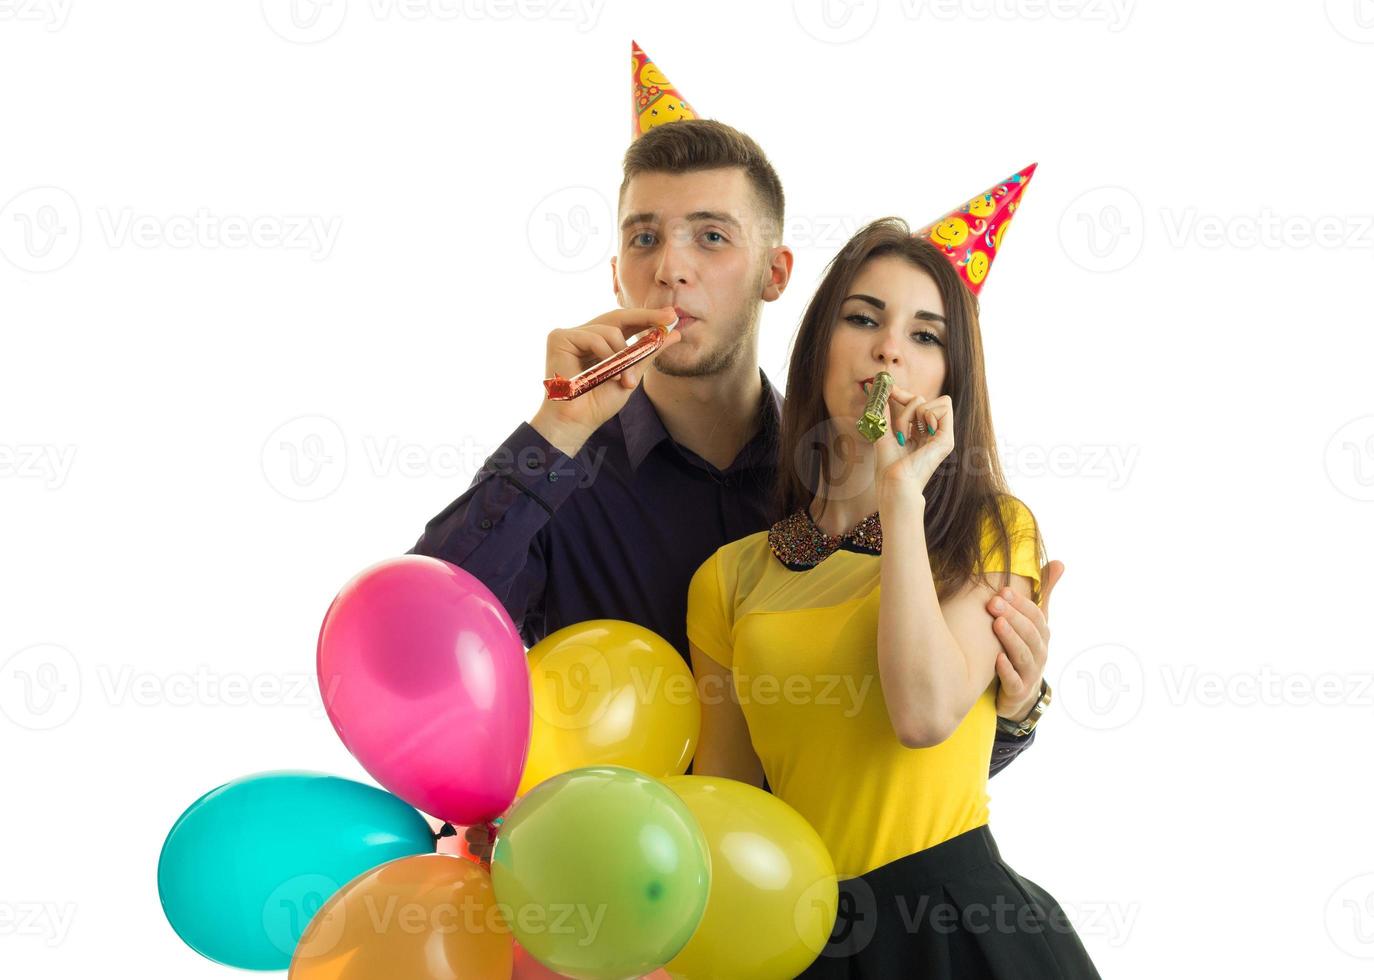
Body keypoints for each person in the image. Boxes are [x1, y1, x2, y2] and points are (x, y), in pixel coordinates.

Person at [411, 50, 1058, 778]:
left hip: (806, 885)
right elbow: (415, 652)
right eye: (644, 237)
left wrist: (1014, 707)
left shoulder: (850, 483)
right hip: (591, 880)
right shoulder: (559, 476)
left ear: (775, 274)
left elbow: (889, 760)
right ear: (616, 269)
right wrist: (555, 429)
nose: (671, 269)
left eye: (711, 237)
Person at [687, 185, 1098, 976]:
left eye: (923, 334)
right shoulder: (728, 579)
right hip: (805, 945)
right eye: (863, 318)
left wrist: (900, 499)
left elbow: (924, 712)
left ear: (949, 376)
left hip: (960, 930)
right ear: (820, 345)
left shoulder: (990, 529)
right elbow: (728, 817)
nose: (888, 352)